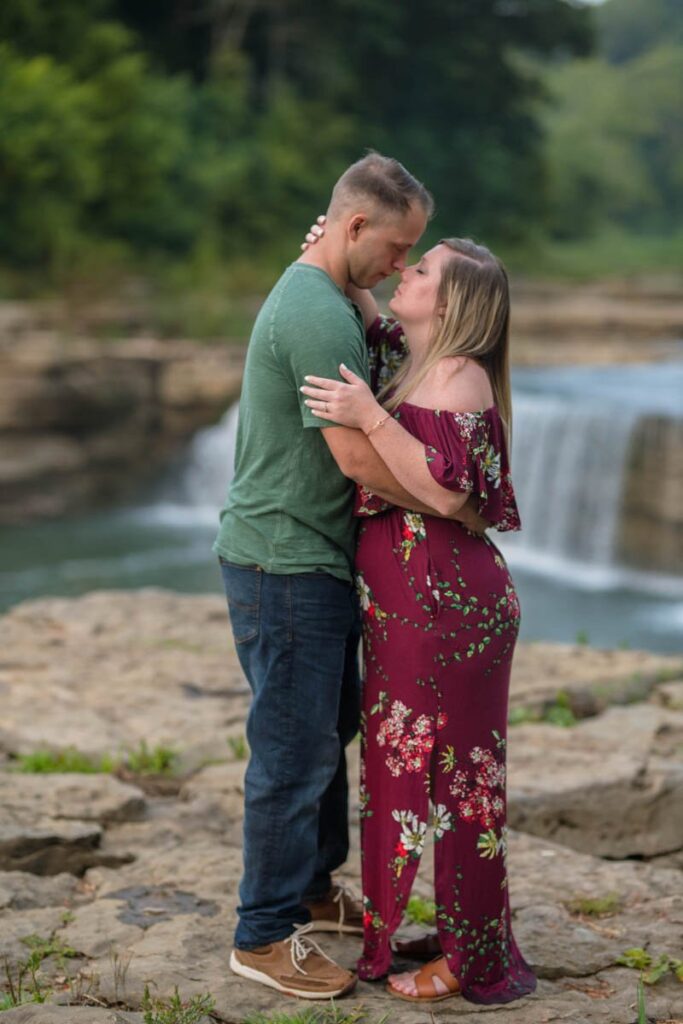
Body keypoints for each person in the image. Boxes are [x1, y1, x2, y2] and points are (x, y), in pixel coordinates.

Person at [214, 153, 486, 1000]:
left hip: (304, 559)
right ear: (355, 226)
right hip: (286, 560)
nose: (401, 266)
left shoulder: (330, 297)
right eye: (396, 247)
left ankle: (306, 891)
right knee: (293, 757)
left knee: (321, 742)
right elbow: (358, 459)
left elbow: (381, 349)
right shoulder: (314, 313)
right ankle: (261, 934)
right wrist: (455, 505)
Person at [300, 236, 538, 1003]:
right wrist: (333, 255)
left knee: (462, 785)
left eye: (422, 269)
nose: (406, 272)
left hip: (447, 609)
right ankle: (446, 929)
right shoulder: (422, 357)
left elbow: (442, 495)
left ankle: (474, 962)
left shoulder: (460, 377)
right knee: (402, 773)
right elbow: (374, 324)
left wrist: (369, 415)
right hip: (413, 608)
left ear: (450, 303)